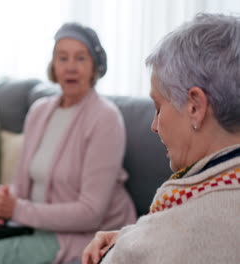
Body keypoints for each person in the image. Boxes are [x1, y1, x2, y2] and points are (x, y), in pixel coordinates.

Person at [0, 22, 136, 264]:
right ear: (54, 65)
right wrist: (1, 201)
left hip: (84, 234)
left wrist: (17, 209)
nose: (70, 67)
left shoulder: (105, 118)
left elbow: (91, 214)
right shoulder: (39, 111)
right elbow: (22, 186)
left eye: (80, 58)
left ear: (94, 66)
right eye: (63, 58)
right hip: (35, 224)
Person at [82, 13, 240, 264]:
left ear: (195, 107)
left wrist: (127, 249)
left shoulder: (175, 237)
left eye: (159, 107)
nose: (154, 126)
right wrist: (131, 236)